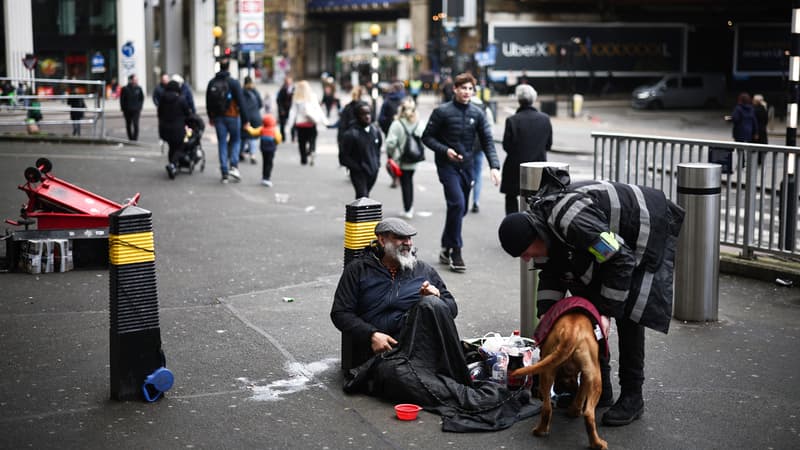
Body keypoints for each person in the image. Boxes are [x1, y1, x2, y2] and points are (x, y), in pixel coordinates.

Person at [497, 167, 685, 427]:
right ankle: (601, 389)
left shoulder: (573, 222)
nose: (527, 258)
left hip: (642, 230)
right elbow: (553, 274)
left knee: (630, 311)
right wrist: (547, 322)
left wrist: (605, 313)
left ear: (535, 235)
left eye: (526, 251)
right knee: (587, 300)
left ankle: (633, 397)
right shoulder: (545, 228)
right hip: (612, 245)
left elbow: (618, 257)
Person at [331, 218, 539, 432]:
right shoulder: (358, 270)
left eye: (410, 238)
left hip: (422, 348)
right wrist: (371, 334)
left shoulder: (423, 270)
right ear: (382, 240)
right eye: (400, 238)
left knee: (432, 304)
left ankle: (472, 395)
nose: (408, 243)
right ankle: (478, 400)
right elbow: (340, 313)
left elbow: (451, 308)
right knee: (400, 376)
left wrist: (437, 295)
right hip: (385, 355)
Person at [422, 72, 501, 273]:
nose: (466, 92)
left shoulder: (478, 113)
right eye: (463, 88)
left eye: (470, 89)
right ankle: (456, 252)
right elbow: (427, 138)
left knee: (461, 209)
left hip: (467, 167)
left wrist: (494, 167)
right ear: (455, 89)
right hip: (447, 166)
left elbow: (487, 141)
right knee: (456, 203)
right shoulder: (442, 112)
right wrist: (445, 151)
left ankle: (445, 246)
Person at [500, 84, 552, 214]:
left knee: (511, 197)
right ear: (534, 99)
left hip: (515, 167)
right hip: (538, 167)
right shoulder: (545, 119)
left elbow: (507, 146)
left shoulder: (512, 120)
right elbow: (548, 145)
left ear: (519, 100)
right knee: (536, 199)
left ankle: (512, 225)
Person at [206, 58, 247, 183]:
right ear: (229, 67)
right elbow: (241, 102)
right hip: (233, 116)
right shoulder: (234, 83)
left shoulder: (212, 82)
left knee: (222, 143)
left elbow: (208, 102)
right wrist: (246, 120)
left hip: (218, 117)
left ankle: (224, 171)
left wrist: (211, 117)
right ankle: (233, 166)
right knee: (235, 140)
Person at [385, 97, 424, 218]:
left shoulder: (397, 124)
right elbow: (424, 138)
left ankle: (408, 209)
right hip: (414, 158)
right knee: (409, 181)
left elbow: (390, 143)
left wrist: (391, 154)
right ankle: (409, 207)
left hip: (401, 159)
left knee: (405, 183)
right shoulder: (419, 123)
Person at [339, 102, 382, 199]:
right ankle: (360, 214)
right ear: (357, 116)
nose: (367, 117)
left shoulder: (375, 131)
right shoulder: (351, 134)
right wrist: (357, 168)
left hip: (373, 170)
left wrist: (377, 163)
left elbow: (378, 148)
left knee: (365, 197)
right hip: (358, 172)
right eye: (363, 114)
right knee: (362, 197)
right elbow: (343, 156)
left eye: (368, 113)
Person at [286, 80, 327, 166]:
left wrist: (290, 124)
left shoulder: (296, 97)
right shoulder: (312, 96)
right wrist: (324, 120)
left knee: (302, 142)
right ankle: (312, 150)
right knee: (312, 138)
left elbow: (293, 112)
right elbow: (318, 109)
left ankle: (303, 159)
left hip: (300, 123)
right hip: (311, 122)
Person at [158, 80, 191, 179]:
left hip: (165, 128)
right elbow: (188, 114)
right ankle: (172, 164)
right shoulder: (181, 100)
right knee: (181, 146)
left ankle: (173, 166)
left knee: (171, 147)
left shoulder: (162, 100)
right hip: (178, 129)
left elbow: (159, 114)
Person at [468, 88, 494, 214]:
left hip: (465, 147)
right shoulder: (484, 108)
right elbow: (490, 129)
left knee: (465, 173)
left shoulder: (464, 106)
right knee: (478, 174)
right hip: (479, 146)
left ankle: (464, 200)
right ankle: (476, 202)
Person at [378, 81, 407, 189]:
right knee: (403, 155)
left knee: (391, 157)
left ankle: (394, 177)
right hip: (404, 133)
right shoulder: (405, 101)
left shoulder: (387, 101)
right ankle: (401, 176)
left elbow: (381, 118)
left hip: (390, 133)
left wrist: (386, 129)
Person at [337, 85, 367, 166]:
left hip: (350, 135)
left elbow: (342, 124)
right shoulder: (365, 106)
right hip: (362, 135)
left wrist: (340, 139)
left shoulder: (348, 107)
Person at [240, 76, 263, 165]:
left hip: (245, 117)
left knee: (243, 135)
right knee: (253, 137)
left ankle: (241, 153)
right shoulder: (255, 92)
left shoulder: (241, 92)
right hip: (256, 117)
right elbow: (260, 104)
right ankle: (252, 155)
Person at [258, 112, 281, 187]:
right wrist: (277, 143)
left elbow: (253, 132)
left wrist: (248, 128)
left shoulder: (261, 129)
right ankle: (266, 178)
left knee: (264, 162)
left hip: (263, 149)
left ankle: (264, 177)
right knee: (269, 163)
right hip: (271, 150)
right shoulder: (274, 130)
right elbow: (278, 139)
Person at [119, 74, 144, 141]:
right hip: (127, 110)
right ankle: (130, 138)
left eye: (136, 80)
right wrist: (123, 108)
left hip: (136, 110)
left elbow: (141, 99)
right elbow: (122, 99)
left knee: (136, 124)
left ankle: (135, 139)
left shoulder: (139, 88)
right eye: (134, 80)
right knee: (128, 124)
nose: (136, 81)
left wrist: (140, 107)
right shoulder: (125, 89)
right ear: (131, 80)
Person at [275, 76, 294, 141]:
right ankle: (283, 137)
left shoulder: (294, 89)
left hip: (291, 109)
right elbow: (278, 100)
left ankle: (293, 137)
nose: (288, 83)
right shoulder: (282, 89)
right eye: (287, 82)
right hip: (283, 109)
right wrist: (281, 109)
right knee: (282, 124)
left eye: (289, 81)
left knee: (292, 124)